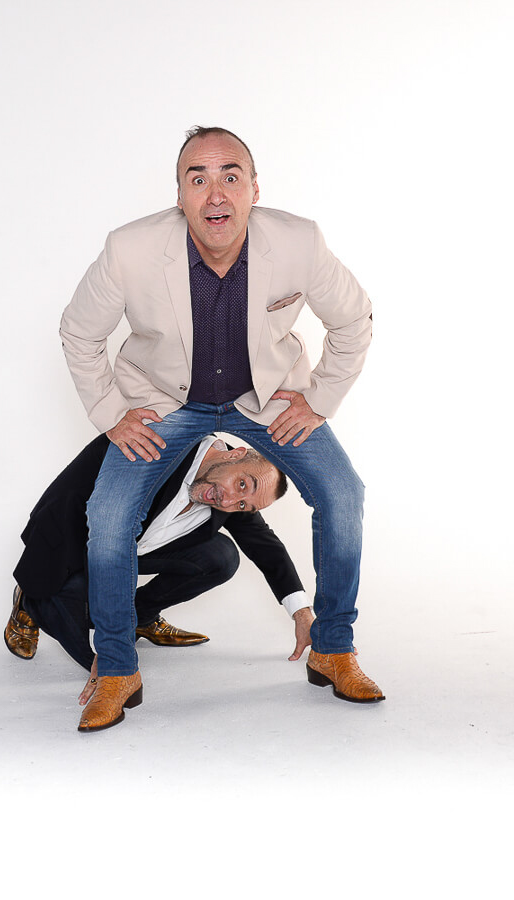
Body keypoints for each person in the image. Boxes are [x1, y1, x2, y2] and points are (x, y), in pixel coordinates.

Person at [60, 125, 384, 732]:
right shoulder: (129, 249)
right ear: (179, 195)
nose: (216, 194)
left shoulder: (299, 242)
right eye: (198, 179)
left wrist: (318, 400)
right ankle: (118, 669)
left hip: (264, 401)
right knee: (109, 513)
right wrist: (110, 413)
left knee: (344, 494)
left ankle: (334, 649)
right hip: (165, 402)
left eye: (231, 177)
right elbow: (79, 332)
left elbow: (354, 319)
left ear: (254, 189)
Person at [5, 433, 313, 712]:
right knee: (104, 660)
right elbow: (108, 542)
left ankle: (141, 618)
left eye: (243, 505)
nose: (230, 500)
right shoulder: (155, 450)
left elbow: (264, 544)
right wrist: (112, 645)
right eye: (243, 484)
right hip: (70, 546)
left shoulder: (226, 486)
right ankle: (28, 601)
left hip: (136, 547)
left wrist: (302, 613)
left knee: (222, 557)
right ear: (235, 453)